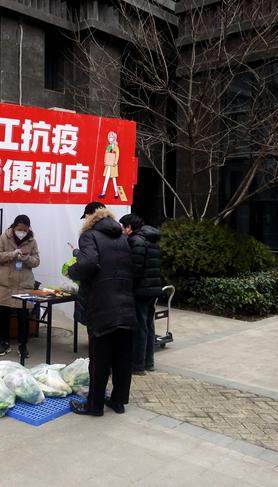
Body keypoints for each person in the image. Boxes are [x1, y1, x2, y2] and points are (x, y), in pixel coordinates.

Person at [67, 202, 136, 416]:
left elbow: (88, 264)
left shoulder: (89, 235)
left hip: (102, 304)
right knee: (122, 358)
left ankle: (94, 405)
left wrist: (72, 270)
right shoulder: (122, 237)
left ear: (89, 216)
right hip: (125, 302)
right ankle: (118, 401)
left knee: (100, 358)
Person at [0, 215, 40, 359]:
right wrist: (12, 254)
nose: (22, 232)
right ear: (14, 227)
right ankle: (4, 342)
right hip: (4, 283)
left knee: (23, 315)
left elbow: (36, 261)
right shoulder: (5, 237)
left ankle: (23, 344)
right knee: (3, 313)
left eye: (24, 230)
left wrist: (27, 258)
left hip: (23, 284)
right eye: (19, 229)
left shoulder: (32, 241)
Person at [119, 213, 162, 375]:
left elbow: (135, 269)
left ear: (129, 227)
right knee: (149, 325)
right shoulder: (150, 239)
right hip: (152, 289)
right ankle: (148, 362)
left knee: (140, 327)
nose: (122, 230)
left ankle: (137, 365)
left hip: (141, 290)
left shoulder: (136, 241)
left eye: (123, 227)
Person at [98, 131, 120, 199]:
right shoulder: (109, 146)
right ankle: (103, 192)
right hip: (108, 164)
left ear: (114, 138)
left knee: (113, 178)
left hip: (113, 165)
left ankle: (116, 192)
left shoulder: (116, 147)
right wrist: (105, 161)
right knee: (107, 178)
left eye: (111, 137)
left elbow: (117, 155)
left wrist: (115, 162)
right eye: (109, 137)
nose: (110, 138)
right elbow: (106, 153)